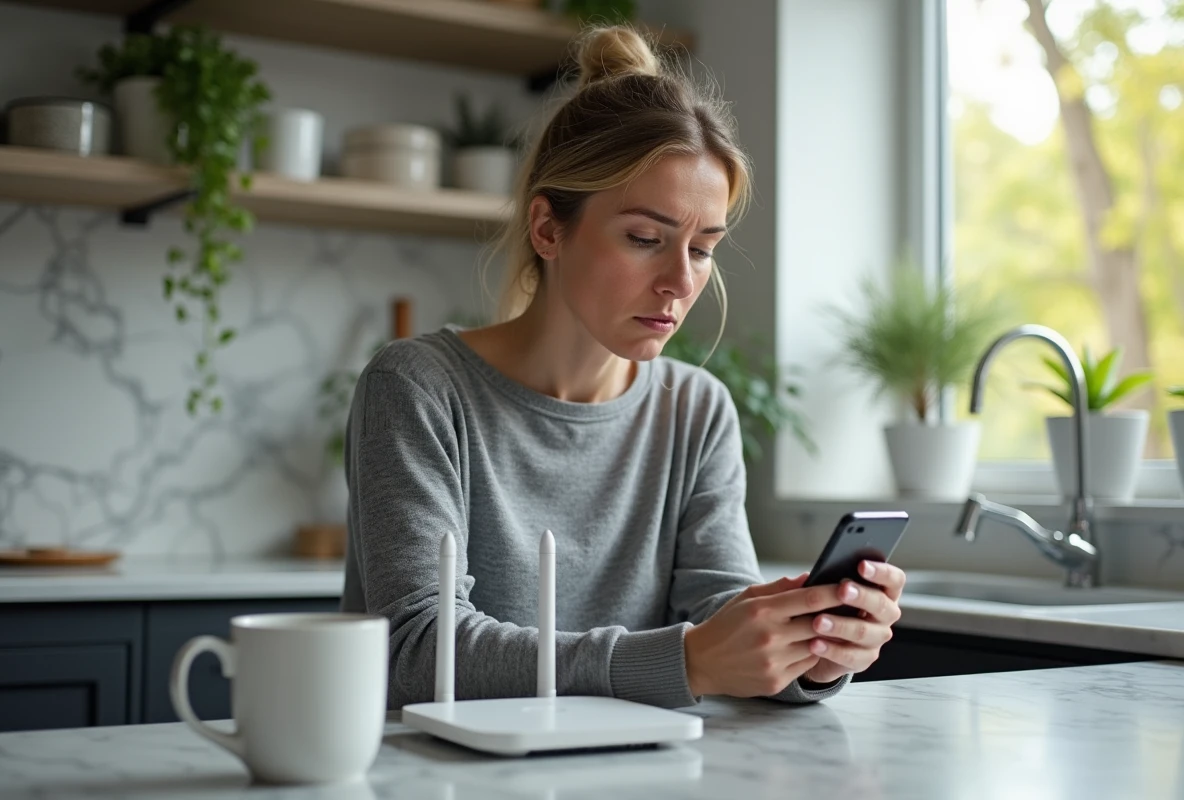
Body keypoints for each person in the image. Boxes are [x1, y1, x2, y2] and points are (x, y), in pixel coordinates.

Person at [341, 25, 905, 710]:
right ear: (548, 228)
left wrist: (810, 654)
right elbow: (419, 651)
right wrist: (686, 659)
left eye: (702, 248)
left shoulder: (697, 410)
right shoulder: (419, 388)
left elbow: (719, 619)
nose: (679, 280)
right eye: (646, 239)